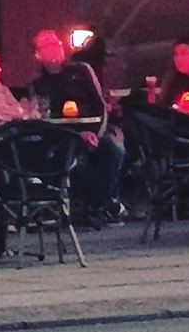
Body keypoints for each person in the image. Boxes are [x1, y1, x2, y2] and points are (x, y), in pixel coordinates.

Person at [30, 29, 126, 221]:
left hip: (94, 130)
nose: (53, 49)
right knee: (78, 165)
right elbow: (43, 118)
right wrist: (77, 136)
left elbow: (100, 106)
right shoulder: (38, 84)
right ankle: (105, 204)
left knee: (115, 149)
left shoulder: (82, 71)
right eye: (47, 46)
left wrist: (95, 133)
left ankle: (101, 204)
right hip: (63, 137)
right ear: (38, 54)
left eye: (56, 44)